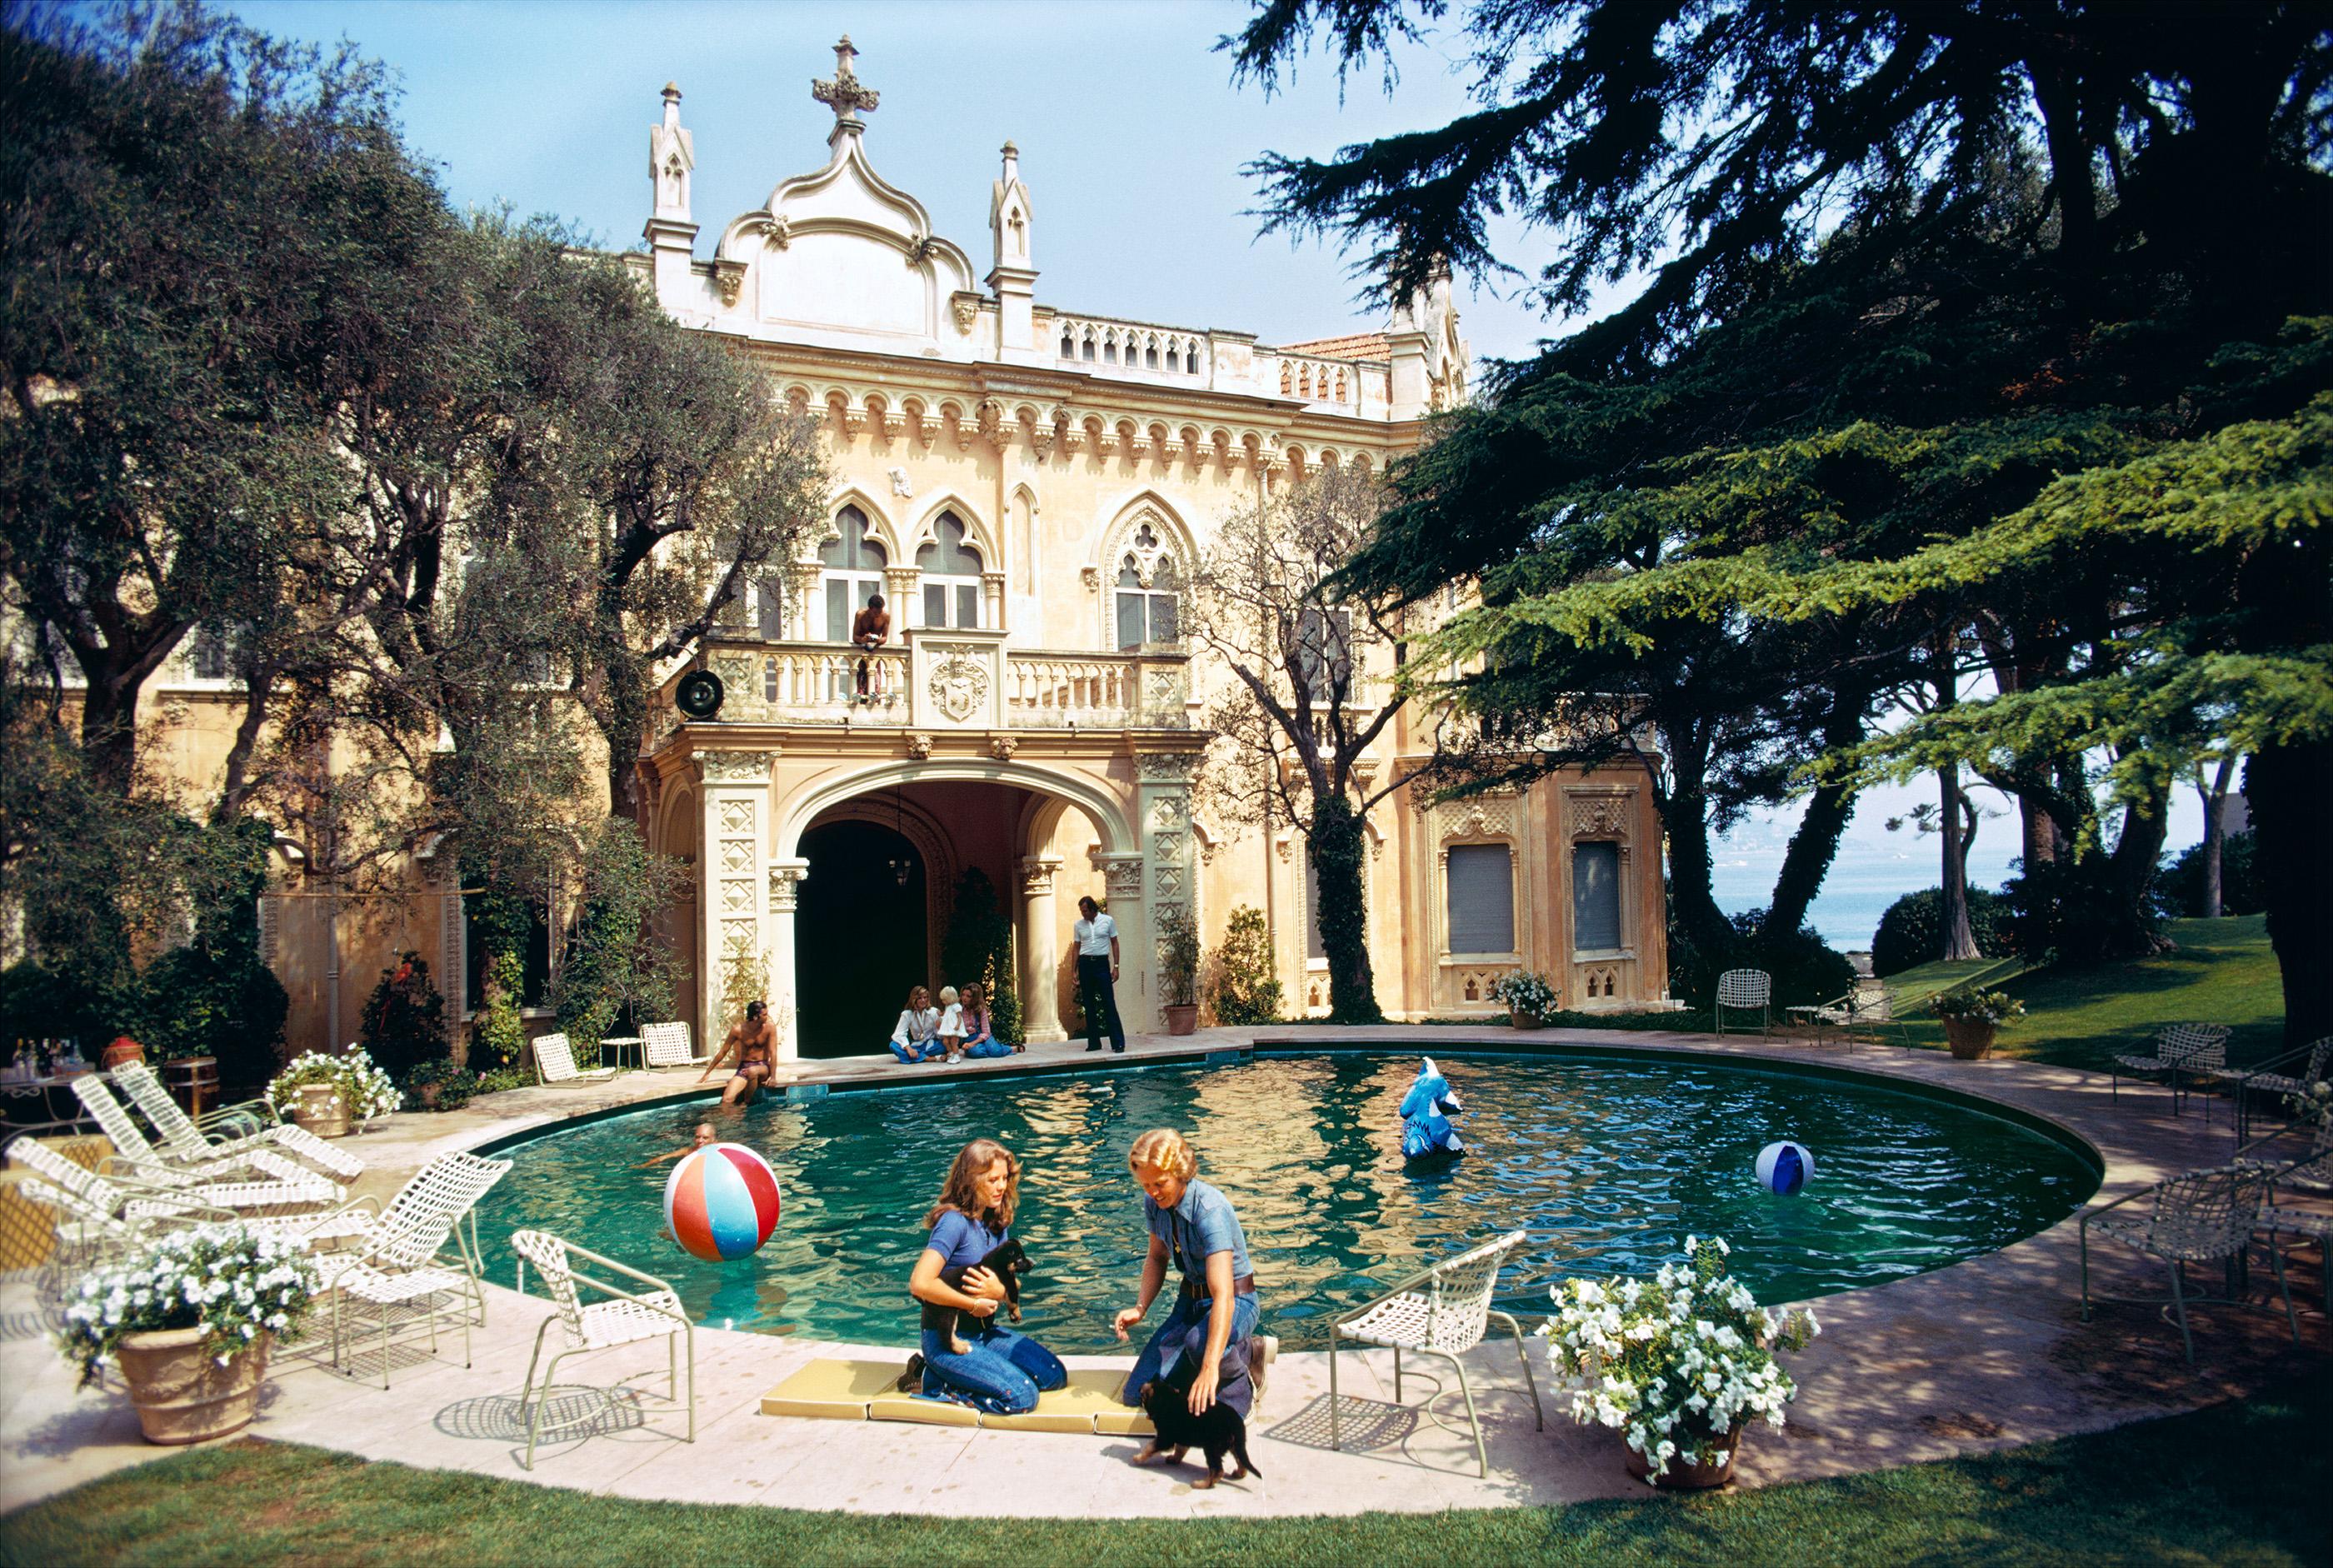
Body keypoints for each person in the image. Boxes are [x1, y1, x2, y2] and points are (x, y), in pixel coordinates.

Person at [1112, 1128, 1266, 1459]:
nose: (1153, 1192)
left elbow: (1223, 1293)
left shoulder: (1209, 1210)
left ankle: (1243, 1381)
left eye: (1160, 1184)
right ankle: (1233, 1350)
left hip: (1236, 1300)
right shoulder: (1154, 1204)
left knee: (1201, 1347)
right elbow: (1157, 1256)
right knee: (1139, 1391)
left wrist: (1210, 1366)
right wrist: (1140, 1308)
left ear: (1180, 1174)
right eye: (1146, 1185)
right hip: (1191, 1301)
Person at [901, 1138, 1067, 1413]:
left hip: (984, 1333)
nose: (1001, 1187)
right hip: (947, 1341)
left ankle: (972, 1371)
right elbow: (920, 1284)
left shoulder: (995, 1221)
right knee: (1022, 1397)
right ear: (970, 1180)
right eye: (992, 1180)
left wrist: (999, 1292)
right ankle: (933, 1380)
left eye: (1004, 1178)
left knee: (1054, 1375)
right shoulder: (954, 1223)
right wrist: (973, 1304)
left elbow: (1009, 1284)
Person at [1072, 895, 1127, 1055]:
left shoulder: (1108, 921)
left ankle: (1118, 1042)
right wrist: (1073, 971)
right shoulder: (1078, 925)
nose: (1083, 914)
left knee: (1108, 1003)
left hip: (1102, 964)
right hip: (1085, 964)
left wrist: (1116, 967)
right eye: (1081, 911)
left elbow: (1115, 943)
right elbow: (1076, 947)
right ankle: (1094, 1042)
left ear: (1092, 909)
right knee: (1089, 1005)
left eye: (1085, 911)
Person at [698, 1001, 776, 1106]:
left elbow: (773, 1052)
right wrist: (707, 1073)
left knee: (753, 1071)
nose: (767, 1017)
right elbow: (723, 1051)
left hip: (763, 1067)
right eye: (765, 1015)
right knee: (727, 1100)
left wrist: (773, 1077)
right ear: (755, 1017)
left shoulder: (770, 1028)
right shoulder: (738, 1029)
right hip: (744, 1068)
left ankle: (745, 1104)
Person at [886, 986, 942, 1064]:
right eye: (920, 998)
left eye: (925, 997)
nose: (923, 1000)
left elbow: (939, 1037)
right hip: (916, 1045)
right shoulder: (907, 1014)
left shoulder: (934, 1012)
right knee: (893, 1045)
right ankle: (928, 1058)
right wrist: (909, 1049)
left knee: (945, 1045)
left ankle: (916, 1057)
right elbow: (898, 1034)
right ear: (914, 999)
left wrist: (940, 1028)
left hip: (931, 1046)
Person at [850, 592, 890, 700]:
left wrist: (877, 640)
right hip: (861, 653)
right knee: (861, 683)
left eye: (881, 610)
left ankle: (874, 702)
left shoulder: (885, 616)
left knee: (875, 684)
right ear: (870, 608)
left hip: (874, 653)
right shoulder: (860, 615)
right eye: (876, 611)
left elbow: (885, 638)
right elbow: (855, 636)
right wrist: (863, 639)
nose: (878, 614)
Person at [959, 981, 1011, 1059]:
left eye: (968, 996)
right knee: (976, 1053)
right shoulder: (959, 1009)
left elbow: (986, 1032)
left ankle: (1010, 1049)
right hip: (969, 1037)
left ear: (975, 998)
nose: (964, 998)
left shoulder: (981, 1010)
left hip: (982, 1036)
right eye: (963, 995)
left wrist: (973, 1044)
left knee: (996, 1052)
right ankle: (989, 1049)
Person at [637, 1121, 717, 1168]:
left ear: (714, 1140)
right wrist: (643, 1166)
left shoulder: (720, 1149)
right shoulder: (687, 1151)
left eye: (705, 1138)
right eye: (697, 1137)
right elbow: (663, 1157)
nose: (700, 1141)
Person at [936, 986, 965, 1064]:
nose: (943, 1002)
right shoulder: (948, 1006)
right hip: (947, 1027)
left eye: (944, 1000)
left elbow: (959, 1017)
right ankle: (951, 1052)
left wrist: (958, 1025)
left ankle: (956, 1056)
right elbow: (946, 1013)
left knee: (953, 1042)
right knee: (945, 1041)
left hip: (954, 1027)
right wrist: (941, 1014)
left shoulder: (957, 1006)